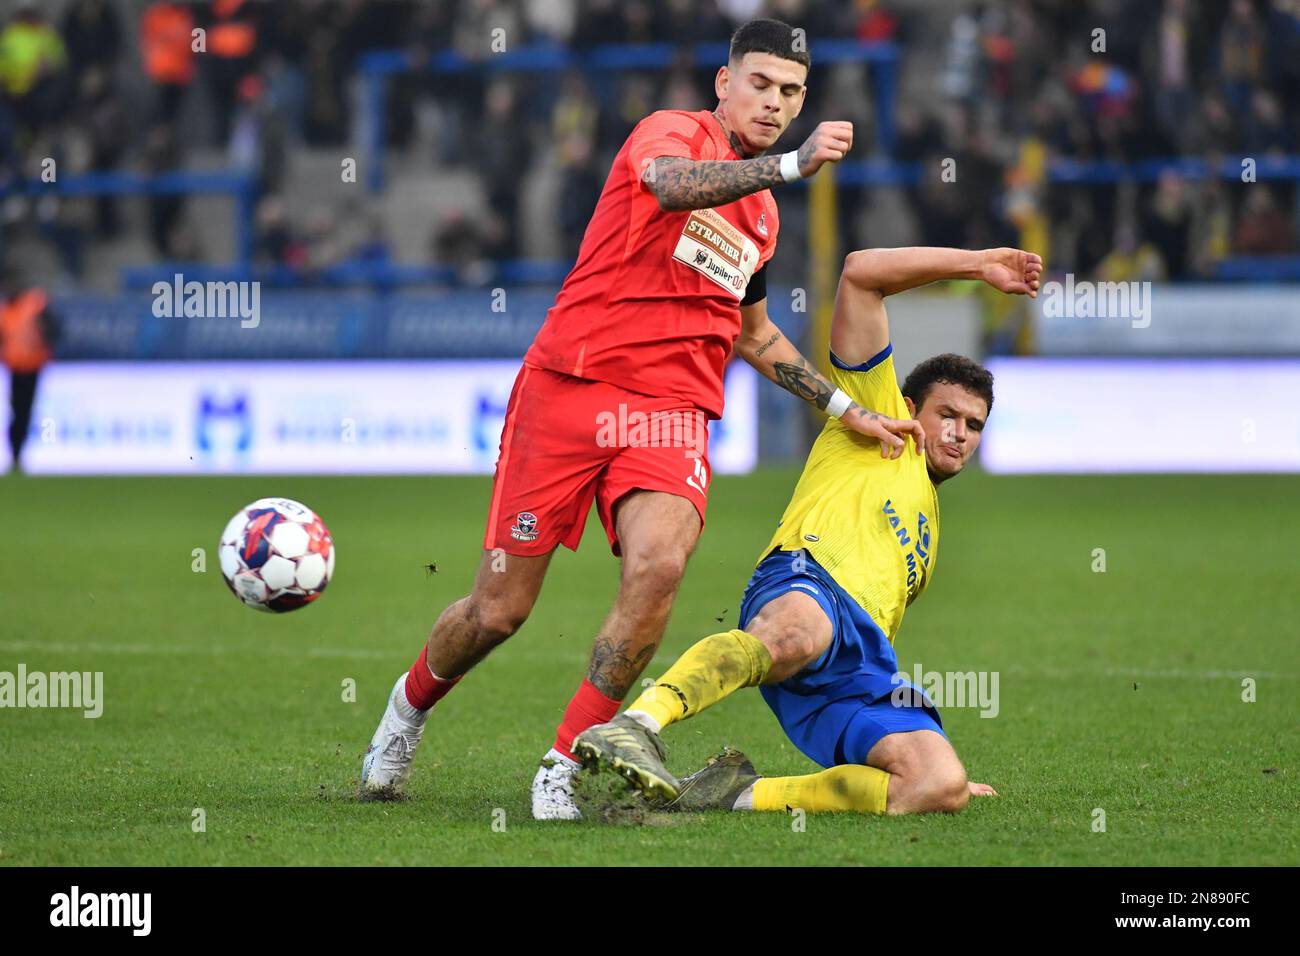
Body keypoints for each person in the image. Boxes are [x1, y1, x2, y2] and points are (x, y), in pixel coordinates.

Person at [359, 19, 924, 819]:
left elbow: (755, 334)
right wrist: (794, 165)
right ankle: (406, 711)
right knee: (499, 611)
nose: (773, 102)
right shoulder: (672, 132)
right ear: (724, 83)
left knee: (660, 566)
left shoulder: (761, 215)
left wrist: (844, 409)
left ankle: (564, 760)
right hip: (568, 388)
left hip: (669, 414)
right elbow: (666, 183)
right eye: (759, 83)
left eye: (790, 92)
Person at [574, 246, 1043, 815]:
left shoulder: (929, 523)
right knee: (798, 634)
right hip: (806, 583)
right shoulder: (878, 420)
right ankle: (639, 724)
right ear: (909, 405)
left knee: (938, 786)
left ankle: (729, 797)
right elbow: (861, 273)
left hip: (863, 663)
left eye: (973, 425)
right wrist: (977, 266)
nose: (960, 433)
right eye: (947, 414)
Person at [1, 271, 58, 474]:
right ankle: (15, 454)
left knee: (24, 411)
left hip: (33, 366)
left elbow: (54, 329)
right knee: (17, 411)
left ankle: (18, 453)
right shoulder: (5, 311)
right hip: (15, 367)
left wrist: (46, 334)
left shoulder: (34, 305)